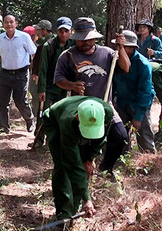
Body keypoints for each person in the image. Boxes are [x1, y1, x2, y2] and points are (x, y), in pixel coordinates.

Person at [53, 17, 130, 174]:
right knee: (84, 142)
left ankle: (105, 168)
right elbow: (58, 79)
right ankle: (82, 168)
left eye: (89, 39)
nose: (85, 43)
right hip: (80, 107)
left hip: (105, 105)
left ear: (95, 37)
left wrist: (121, 48)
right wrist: (72, 85)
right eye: (81, 40)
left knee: (121, 137)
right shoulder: (68, 56)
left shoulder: (108, 53)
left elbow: (126, 67)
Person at [40, 96, 113, 222]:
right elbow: (72, 163)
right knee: (63, 164)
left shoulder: (106, 112)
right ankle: (64, 213)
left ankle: (75, 207)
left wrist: (90, 159)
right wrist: (87, 198)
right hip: (54, 121)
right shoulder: (67, 122)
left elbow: (101, 139)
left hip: (76, 121)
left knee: (83, 161)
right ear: (78, 118)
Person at [0, 14, 37, 133]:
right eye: (6, 22)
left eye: (11, 22)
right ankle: (3, 126)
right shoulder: (0, 38)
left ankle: (30, 120)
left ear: (16, 23)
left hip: (21, 73)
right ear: (3, 24)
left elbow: (34, 54)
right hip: (5, 73)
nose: (9, 24)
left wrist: (35, 71)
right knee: (1, 101)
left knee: (20, 100)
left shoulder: (24, 37)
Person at [111, 30, 156, 152]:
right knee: (121, 135)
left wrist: (138, 116)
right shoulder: (115, 61)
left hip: (139, 103)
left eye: (123, 47)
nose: (120, 50)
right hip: (121, 102)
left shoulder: (143, 65)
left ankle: (148, 162)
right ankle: (121, 162)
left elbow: (145, 92)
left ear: (131, 48)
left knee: (144, 136)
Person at [37, 17, 74, 111]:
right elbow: (43, 69)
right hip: (50, 86)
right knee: (44, 113)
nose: (63, 34)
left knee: (62, 113)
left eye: (66, 31)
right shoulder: (48, 46)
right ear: (56, 31)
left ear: (71, 31)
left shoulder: (74, 45)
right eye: (60, 31)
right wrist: (42, 90)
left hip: (67, 86)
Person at [29, 20, 52, 122]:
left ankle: (41, 116)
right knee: (33, 91)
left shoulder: (50, 43)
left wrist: (38, 73)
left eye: (38, 30)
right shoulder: (41, 41)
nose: (36, 32)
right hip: (37, 73)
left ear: (44, 30)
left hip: (45, 75)